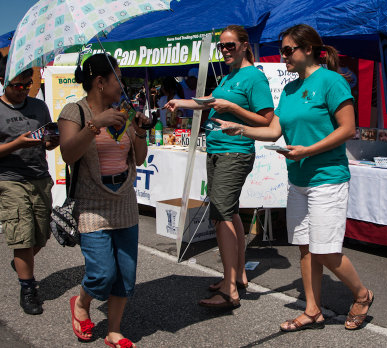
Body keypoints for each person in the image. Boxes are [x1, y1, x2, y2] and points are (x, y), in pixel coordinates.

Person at [214, 24, 373, 330]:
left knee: (325, 249)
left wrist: (308, 151)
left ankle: (362, 294)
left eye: (288, 50)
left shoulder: (331, 81)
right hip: (298, 179)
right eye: (282, 49)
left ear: (309, 50)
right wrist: (241, 129)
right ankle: (312, 309)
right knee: (305, 247)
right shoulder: (289, 89)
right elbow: (275, 130)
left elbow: (347, 129)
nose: (283, 55)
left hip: (327, 177)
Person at [165, 25, 274, 309]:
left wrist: (233, 109)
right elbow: (210, 102)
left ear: (244, 45)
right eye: (221, 47)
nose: (224, 50)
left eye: (230, 46)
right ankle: (238, 276)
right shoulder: (229, 76)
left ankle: (229, 290)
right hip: (217, 152)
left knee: (222, 214)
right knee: (229, 211)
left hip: (233, 153)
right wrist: (182, 102)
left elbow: (267, 121)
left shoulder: (254, 77)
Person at [58, 54, 148, 347]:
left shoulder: (120, 111)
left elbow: (140, 157)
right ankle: (82, 303)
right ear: (100, 82)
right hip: (92, 204)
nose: (121, 85)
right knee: (101, 273)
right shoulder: (75, 112)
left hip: (124, 201)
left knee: (125, 274)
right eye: (117, 79)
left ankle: (114, 330)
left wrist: (140, 130)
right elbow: (69, 154)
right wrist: (95, 125)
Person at [0, 55, 59, 315]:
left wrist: (52, 140)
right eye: (17, 85)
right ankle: (28, 287)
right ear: (3, 82)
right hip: (10, 180)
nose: (23, 89)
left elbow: (47, 138)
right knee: (22, 236)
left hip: (39, 176)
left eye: (28, 84)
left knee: (41, 235)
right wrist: (17, 144)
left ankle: (21, 262)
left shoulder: (38, 106)